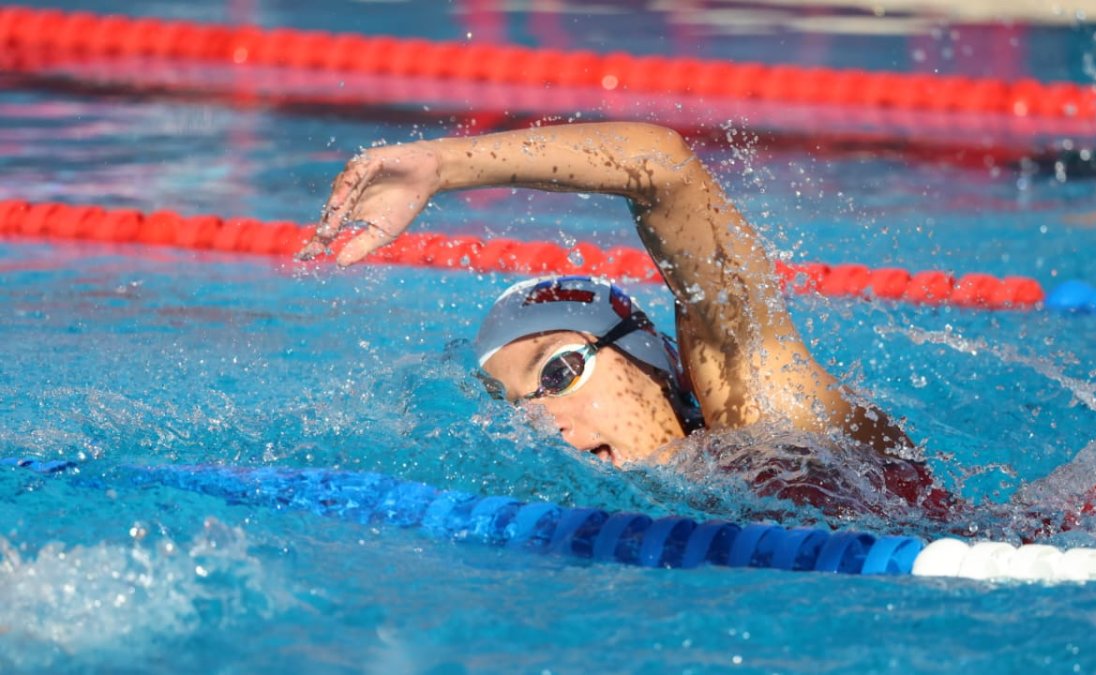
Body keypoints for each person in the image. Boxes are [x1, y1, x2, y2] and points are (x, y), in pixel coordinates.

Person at [297, 122, 960, 520]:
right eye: (516, 406)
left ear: (658, 364)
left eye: (557, 371)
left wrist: (445, 165)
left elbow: (666, 171)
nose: (544, 424)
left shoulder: (766, 417)